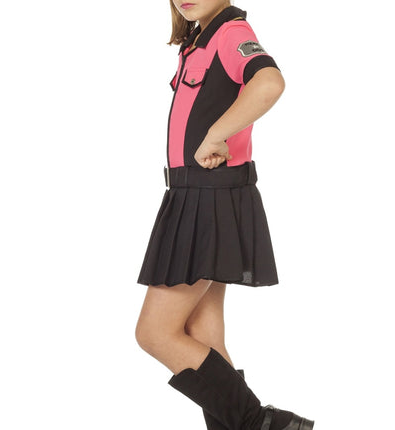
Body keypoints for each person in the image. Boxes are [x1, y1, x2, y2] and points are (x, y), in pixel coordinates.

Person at [135, 1, 315, 429]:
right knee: (204, 337)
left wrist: (217, 134)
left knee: (155, 333)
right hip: (193, 195)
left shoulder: (231, 33)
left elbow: (269, 82)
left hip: (208, 198)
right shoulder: (200, 39)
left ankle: (265, 424)